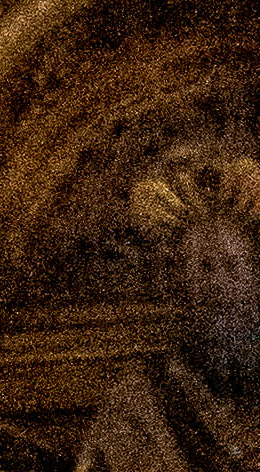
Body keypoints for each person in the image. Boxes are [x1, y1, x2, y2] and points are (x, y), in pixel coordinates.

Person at [79, 158, 260, 469]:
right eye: (204, 268)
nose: (218, 284)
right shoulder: (140, 399)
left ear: (254, 278)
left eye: (231, 266)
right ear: (181, 284)